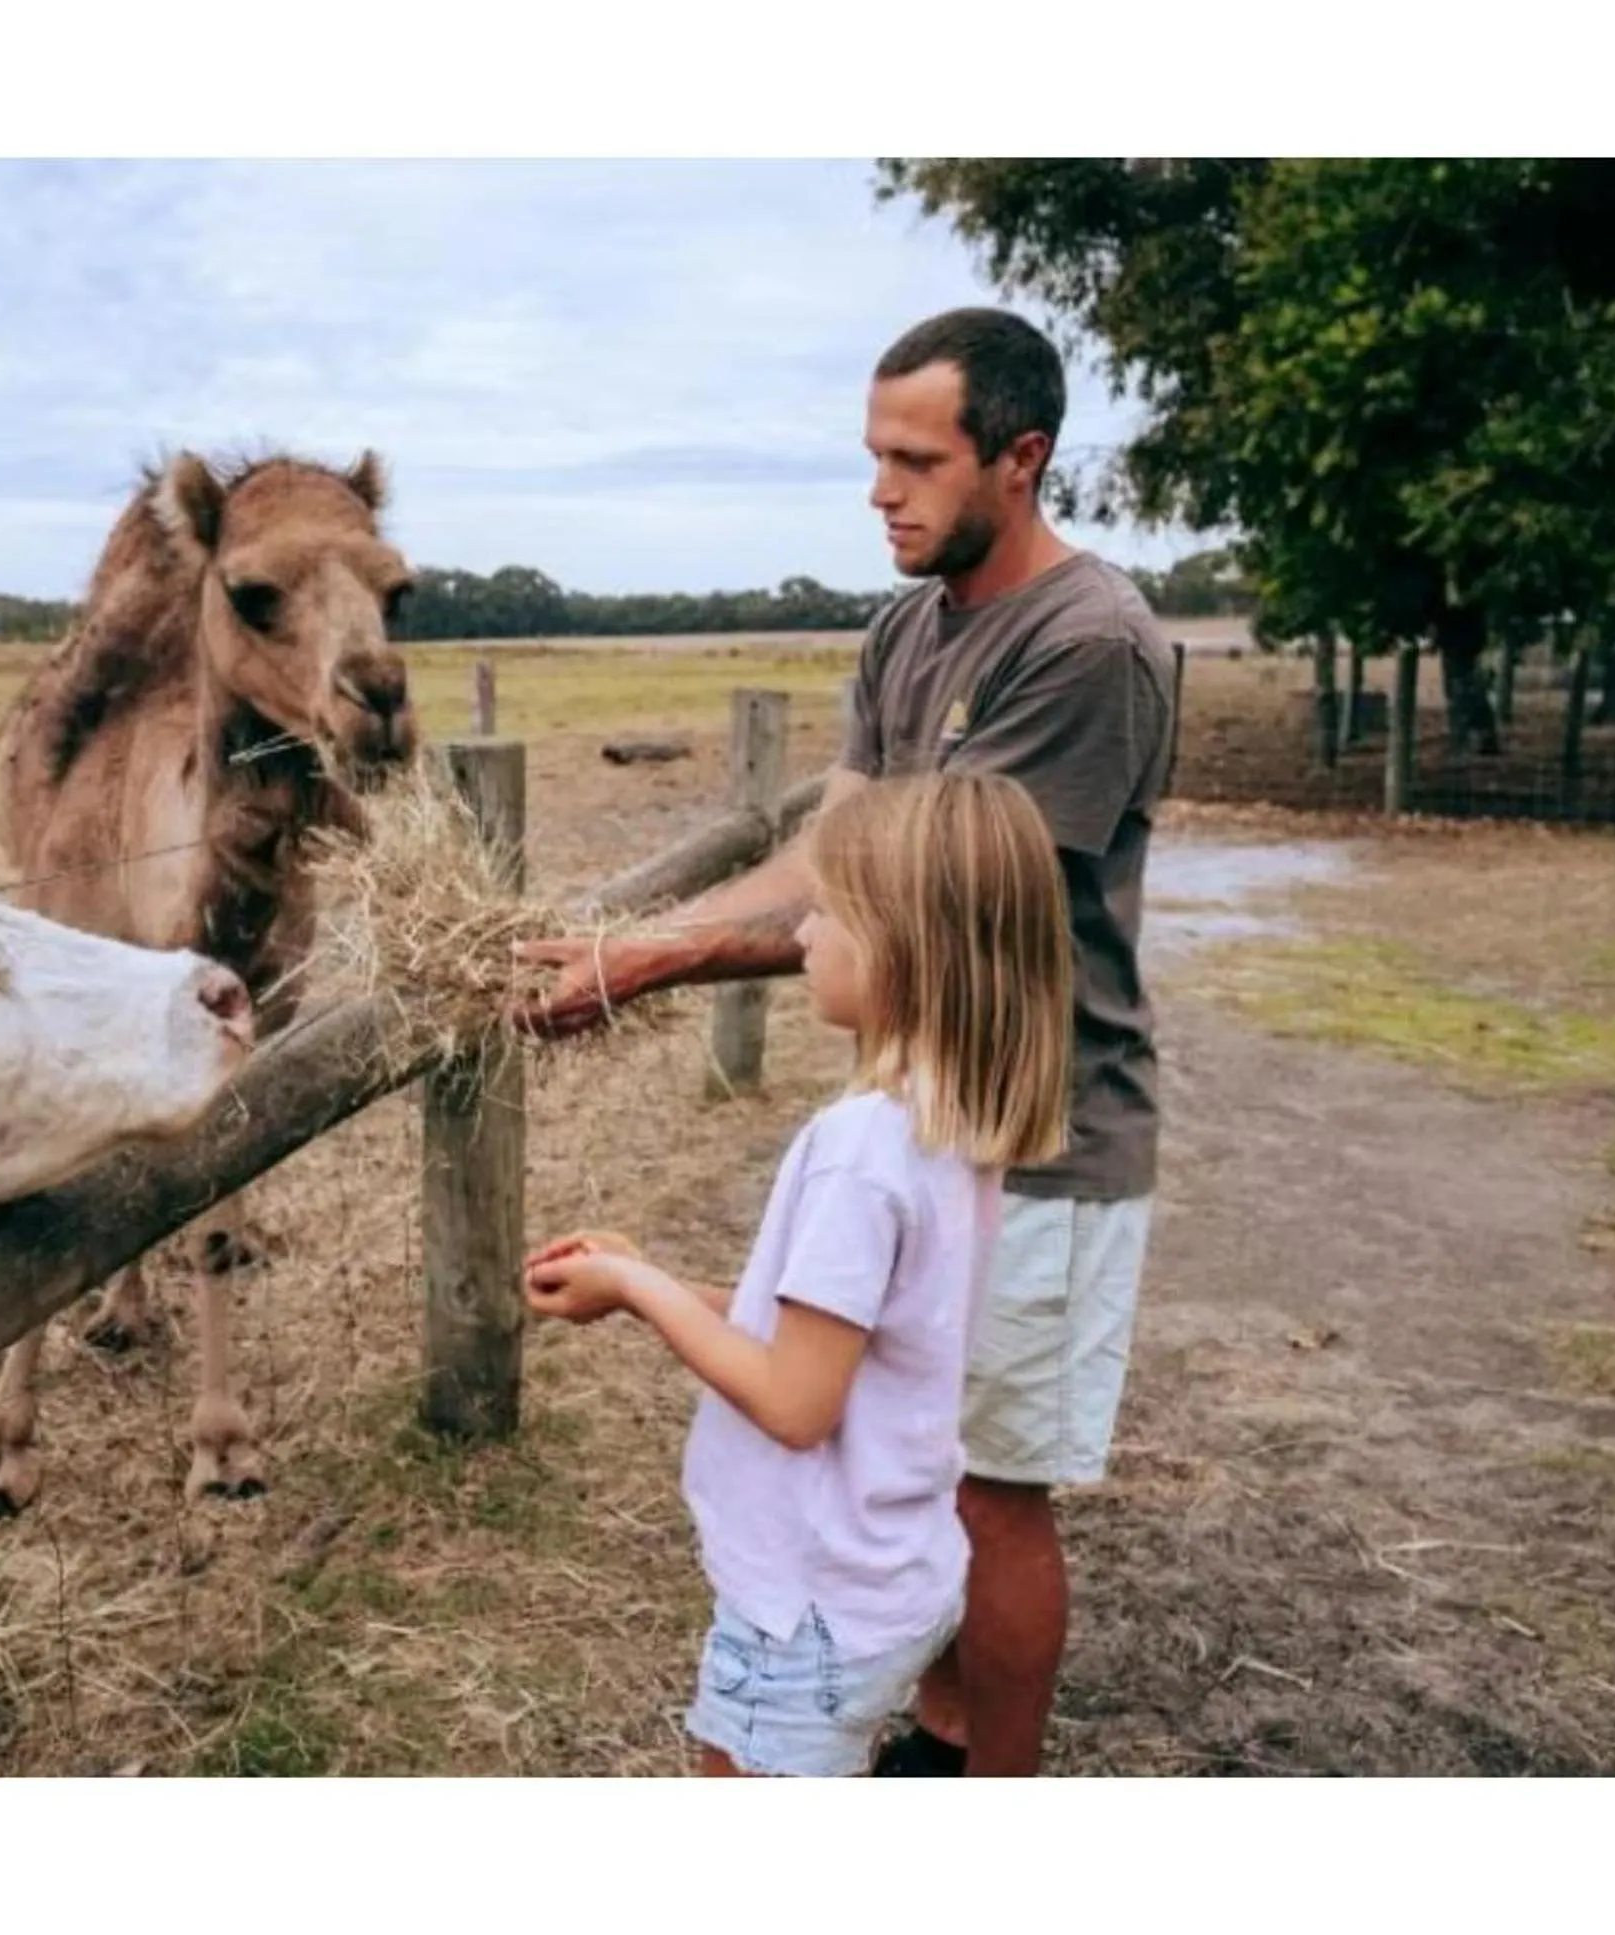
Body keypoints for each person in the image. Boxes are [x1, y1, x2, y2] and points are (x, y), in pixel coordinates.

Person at [517, 306, 1177, 1776]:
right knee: (908, 1460)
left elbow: (907, 896)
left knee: (992, 1488)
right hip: (933, 1101)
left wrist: (653, 958)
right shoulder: (905, 626)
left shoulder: (1088, 645)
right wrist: (630, 941)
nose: (879, 489)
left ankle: (975, 1774)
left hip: (1041, 1131)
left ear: (1021, 458)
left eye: (913, 458)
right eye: (870, 454)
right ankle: (906, 1731)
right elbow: (832, 854)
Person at [524, 772, 1073, 1777]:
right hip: (892, 1572)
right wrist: (642, 1275)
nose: (803, 938)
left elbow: (793, 1401)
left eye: (827, 913)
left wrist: (640, 1296)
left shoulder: (860, 1148)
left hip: (805, 1608)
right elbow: (838, 1341)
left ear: (903, 947)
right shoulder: (949, 1120)